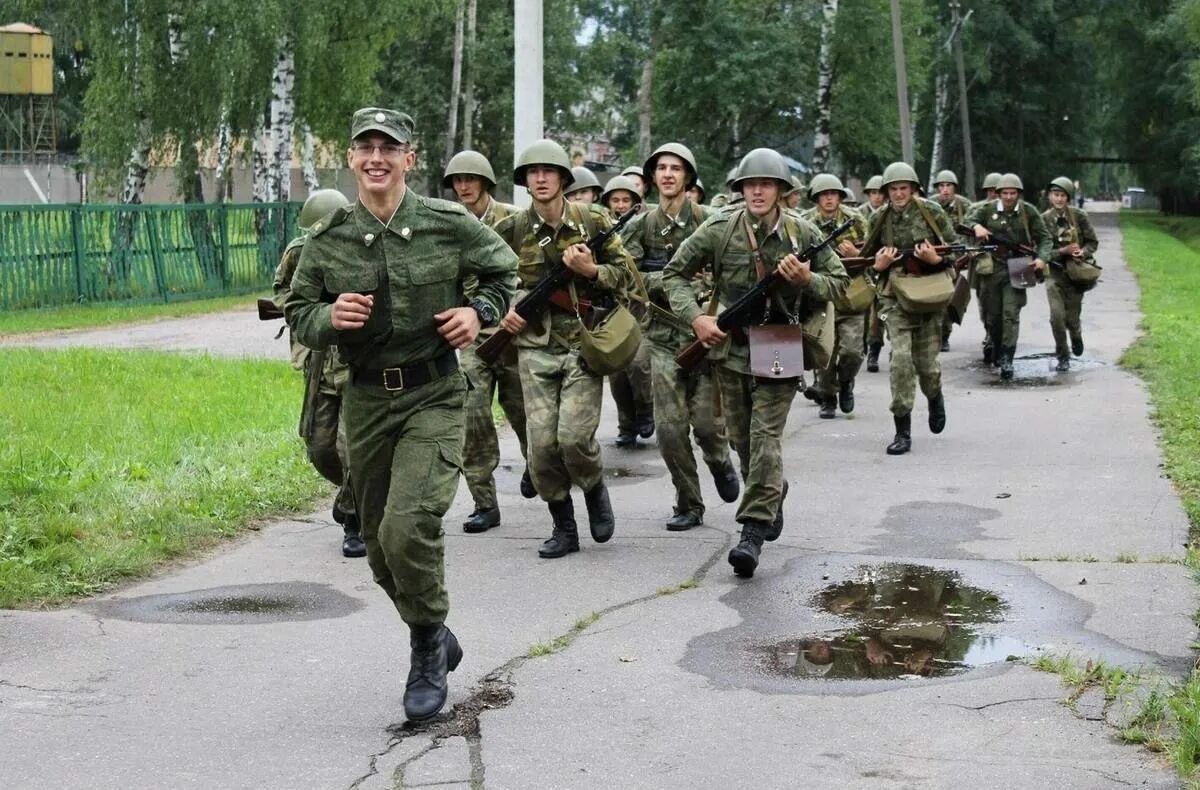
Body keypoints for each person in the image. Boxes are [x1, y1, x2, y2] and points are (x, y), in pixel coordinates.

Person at [285, 107, 517, 722]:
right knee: (381, 550)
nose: (377, 158)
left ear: (410, 159)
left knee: (406, 526)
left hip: (435, 395)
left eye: (389, 148)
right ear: (353, 157)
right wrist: (328, 319)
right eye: (366, 147)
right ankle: (437, 632)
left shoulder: (447, 223)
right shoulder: (328, 236)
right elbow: (298, 307)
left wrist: (478, 313)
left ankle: (424, 649)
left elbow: (503, 272)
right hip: (365, 400)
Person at [665, 148, 848, 578]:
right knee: (743, 442)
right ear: (741, 189)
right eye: (751, 184)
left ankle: (752, 529)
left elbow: (840, 285)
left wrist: (808, 280)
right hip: (731, 347)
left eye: (767, 184)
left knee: (766, 437)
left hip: (781, 342)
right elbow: (673, 275)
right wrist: (697, 317)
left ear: (782, 191)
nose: (758, 191)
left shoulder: (802, 235)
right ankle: (771, 491)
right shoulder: (719, 230)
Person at [493, 139, 635, 559]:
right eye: (532, 172)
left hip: (583, 342)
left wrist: (592, 270)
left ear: (562, 178)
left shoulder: (592, 221)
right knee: (540, 448)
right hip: (535, 346)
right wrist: (505, 310)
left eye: (548, 171)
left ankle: (593, 487)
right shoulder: (513, 230)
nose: (540, 178)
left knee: (573, 439)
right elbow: (482, 279)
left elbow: (627, 275)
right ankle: (563, 526)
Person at [621, 141, 740, 531]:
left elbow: (726, 271)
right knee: (670, 429)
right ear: (652, 177)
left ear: (688, 177)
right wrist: (676, 277)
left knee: (706, 425)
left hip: (704, 333)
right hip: (660, 336)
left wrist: (681, 281)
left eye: (676, 168)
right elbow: (631, 278)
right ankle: (688, 502)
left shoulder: (711, 220)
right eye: (661, 168)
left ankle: (720, 460)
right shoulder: (641, 225)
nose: (668, 174)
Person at [442, 150, 534, 533]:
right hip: (472, 338)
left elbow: (532, 273)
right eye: (457, 180)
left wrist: (520, 309)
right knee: (473, 416)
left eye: (470, 178)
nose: (463, 186)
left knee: (527, 416)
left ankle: (539, 466)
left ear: (485, 182)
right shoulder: (448, 225)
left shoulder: (515, 220)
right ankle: (485, 501)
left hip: (515, 333)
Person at [272, 188, 364, 558]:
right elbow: (281, 292)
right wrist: (309, 309)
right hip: (319, 361)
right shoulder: (297, 252)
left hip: (358, 360)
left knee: (352, 447)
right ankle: (359, 495)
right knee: (320, 446)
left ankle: (354, 519)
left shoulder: (362, 251)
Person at [859, 161, 956, 455]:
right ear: (886, 192)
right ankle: (902, 430)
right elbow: (866, 262)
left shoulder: (932, 212)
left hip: (928, 295)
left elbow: (956, 249)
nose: (899, 194)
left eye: (904, 188)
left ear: (914, 189)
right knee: (900, 360)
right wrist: (880, 266)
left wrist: (936, 260)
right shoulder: (879, 217)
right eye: (893, 189)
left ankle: (935, 396)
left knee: (927, 366)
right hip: (895, 296)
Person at [965, 173, 1052, 380]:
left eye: (1013, 193)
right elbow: (968, 219)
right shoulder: (987, 209)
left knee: (1011, 314)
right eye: (1005, 193)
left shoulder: (1028, 212)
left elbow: (1044, 238)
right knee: (992, 316)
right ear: (998, 193)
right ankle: (995, 344)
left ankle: (1007, 358)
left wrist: (1042, 259)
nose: (1009, 197)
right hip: (993, 267)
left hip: (1020, 264)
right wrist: (976, 226)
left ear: (1019, 194)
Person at [800, 173, 869, 419]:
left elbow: (871, 254)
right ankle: (828, 397)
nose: (829, 199)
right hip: (820, 294)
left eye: (833, 194)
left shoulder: (856, 221)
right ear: (816, 199)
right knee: (825, 351)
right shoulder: (804, 222)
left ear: (840, 197)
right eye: (823, 195)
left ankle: (846, 381)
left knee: (852, 351)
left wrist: (854, 253)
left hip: (851, 293)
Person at [600, 175, 655, 448]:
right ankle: (626, 425)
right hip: (611, 309)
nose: (621, 205)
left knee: (638, 362)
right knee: (617, 371)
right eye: (615, 200)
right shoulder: (599, 227)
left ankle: (646, 409)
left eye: (626, 200)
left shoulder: (646, 226)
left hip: (640, 307)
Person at [1042, 176, 1099, 371]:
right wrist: (1062, 252)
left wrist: (1082, 252)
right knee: (1056, 317)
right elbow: (1042, 252)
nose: (1058, 199)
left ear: (1068, 198)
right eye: (1055, 195)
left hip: (1075, 274)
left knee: (1072, 317)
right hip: (1054, 274)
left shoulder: (1079, 216)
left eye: (1062, 196)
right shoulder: (1044, 220)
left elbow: (1093, 242)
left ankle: (1076, 334)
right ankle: (1062, 355)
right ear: (1050, 196)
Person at [932, 170, 974, 352]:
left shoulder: (965, 205)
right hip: (935, 255)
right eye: (941, 186)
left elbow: (972, 228)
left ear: (954, 188)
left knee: (950, 296)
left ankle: (944, 334)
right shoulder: (931, 204)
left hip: (957, 255)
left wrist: (967, 254)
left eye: (948, 186)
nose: (945, 190)